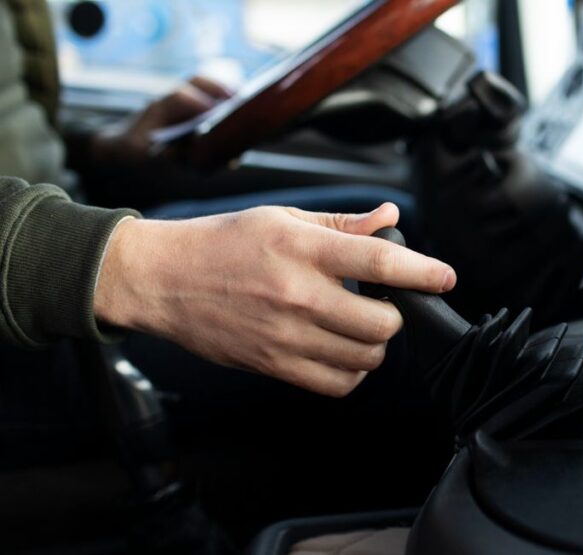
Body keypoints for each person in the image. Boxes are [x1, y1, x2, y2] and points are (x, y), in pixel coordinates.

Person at [0, 0, 456, 398]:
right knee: (402, 342)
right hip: (28, 328)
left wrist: (101, 148)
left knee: (397, 236)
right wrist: (140, 270)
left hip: (57, 230)